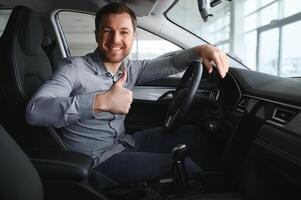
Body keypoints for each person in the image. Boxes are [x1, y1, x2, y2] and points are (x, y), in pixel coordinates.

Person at [26, 3, 229, 183]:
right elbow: (35, 111)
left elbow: (172, 63)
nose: (115, 39)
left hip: (124, 142)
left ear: (133, 36)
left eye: (124, 32)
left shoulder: (129, 68)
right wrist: (100, 102)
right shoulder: (74, 68)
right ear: (97, 34)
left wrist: (200, 50)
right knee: (187, 167)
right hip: (98, 160)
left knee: (194, 135)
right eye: (108, 30)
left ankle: (218, 183)